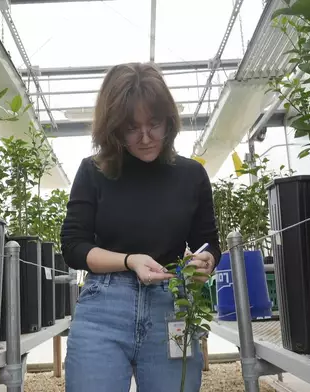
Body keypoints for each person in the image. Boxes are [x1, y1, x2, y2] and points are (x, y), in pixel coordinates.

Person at [60, 62, 222, 392]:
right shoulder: (93, 172)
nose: (146, 138)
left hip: (171, 309)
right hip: (103, 308)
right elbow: (73, 246)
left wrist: (206, 261)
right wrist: (129, 260)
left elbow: (208, 243)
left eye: (155, 124)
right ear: (113, 129)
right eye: (131, 128)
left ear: (169, 121)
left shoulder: (191, 176)